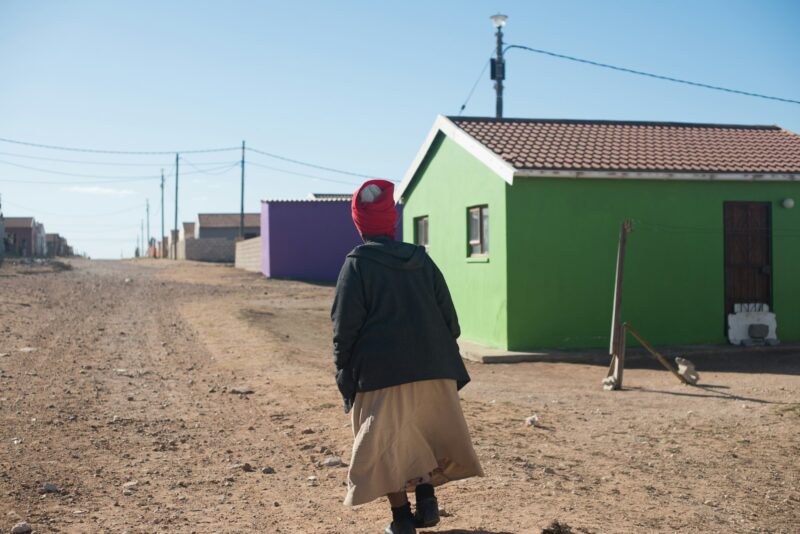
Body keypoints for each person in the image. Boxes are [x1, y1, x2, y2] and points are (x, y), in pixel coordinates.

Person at [331, 179, 484, 534]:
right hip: (435, 367)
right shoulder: (421, 261)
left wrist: (346, 376)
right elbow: (451, 320)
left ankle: (401, 520)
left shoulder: (356, 266)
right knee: (422, 433)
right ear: (391, 221)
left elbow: (344, 330)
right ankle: (427, 498)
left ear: (359, 222)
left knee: (386, 447)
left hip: (382, 374)